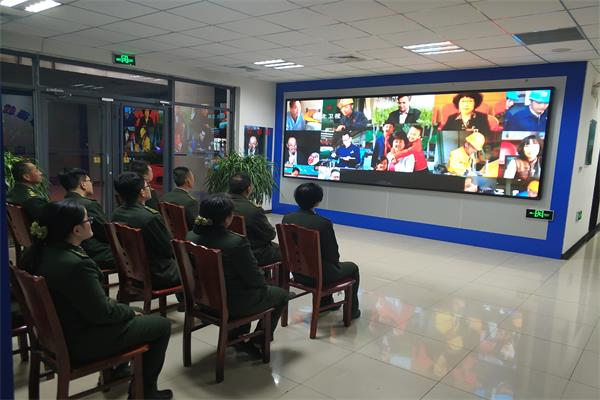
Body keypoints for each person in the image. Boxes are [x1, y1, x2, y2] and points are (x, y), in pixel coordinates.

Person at [22, 200, 173, 399]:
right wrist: (129, 311)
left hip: (55, 335)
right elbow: (103, 314)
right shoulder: (75, 265)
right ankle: (145, 393)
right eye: (88, 220)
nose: (91, 223)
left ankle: (118, 370)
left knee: (132, 314)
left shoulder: (38, 252)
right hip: (80, 341)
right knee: (161, 325)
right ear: (76, 230)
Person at [186, 195, 288, 356]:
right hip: (231, 304)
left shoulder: (190, 237)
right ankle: (259, 340)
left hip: (202, 300)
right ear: (227, 218)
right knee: (281, 295)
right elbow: (256, 280)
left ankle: (237, 334)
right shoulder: (235, 242)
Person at [282, 183, 361, 319]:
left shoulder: (287, 218)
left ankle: (326, 302)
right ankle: (352, 311)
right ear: (318, 201)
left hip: (297, 273)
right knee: (352, 268)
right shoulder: (323, 223)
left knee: (323, 264)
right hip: (320, 276)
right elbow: (333, 255)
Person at [112, 172, 182, 297]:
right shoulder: (150, 217)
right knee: (194, 266)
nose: (150, 188)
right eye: (148, 186)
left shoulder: (116, 214)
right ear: (142, 192)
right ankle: (189, 303)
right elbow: (168, 249)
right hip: (158, 274)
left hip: (132, 271)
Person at [58, 168, 115, 269]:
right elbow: (106, 232)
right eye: (90, 181)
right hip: (96, 253)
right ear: (83, 184)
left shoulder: (62, 204)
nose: (91, 183)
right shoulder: (89, 205)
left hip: (74, 252)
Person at [229, 172, 281, 266]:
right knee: (283, 250)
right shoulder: (253, 210)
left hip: (227, 249)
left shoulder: (219, 202)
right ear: (248, 189)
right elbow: (270, 234)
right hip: (250, 253)